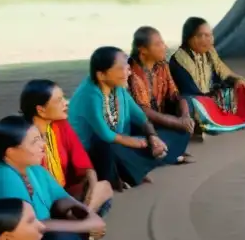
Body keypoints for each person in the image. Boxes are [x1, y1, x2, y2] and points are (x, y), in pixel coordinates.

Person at [69, 46, 190, 189]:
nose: (129, 71)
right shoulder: (90, 96)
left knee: (179, 130)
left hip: (123, 141)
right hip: (98, 149)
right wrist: (138, 143)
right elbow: (106, 135)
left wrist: (152, 137)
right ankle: (149, 162)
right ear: (102, 75)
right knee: (108, 149)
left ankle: (144, 162)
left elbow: (139, 115)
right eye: (121, 68)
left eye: (127, 65)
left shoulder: (117, 86)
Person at [20, 79, 113, 215]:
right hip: (41, 201)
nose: (66, 103)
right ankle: (85, 222)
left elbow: (85, 165)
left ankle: (85, 217)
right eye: (59, 100)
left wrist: (91, 192)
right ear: (41, 110)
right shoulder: (24, 137)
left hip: (64, 194)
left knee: (104, 187)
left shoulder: (60, 125)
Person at [169, 17, 245, 132]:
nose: (210, 40)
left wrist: (236, 81)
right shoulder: (179, 59)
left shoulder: (210, 52)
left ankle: (209, 121)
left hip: (214, 98)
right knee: (192, 106)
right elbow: (190, 91)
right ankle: (204, 122)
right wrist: (214, 99)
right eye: (203, 35)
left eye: (210, 35)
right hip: (196, 102)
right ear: (190, 38)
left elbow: (223, 72)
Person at [129, 26, 199, 140]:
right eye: (158, 44)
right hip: (145, 123)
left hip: (162, 116)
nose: (164, 47)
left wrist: (185, 117)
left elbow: (175, 95)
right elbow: (144, 111)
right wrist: (175, 122)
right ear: (143, 50)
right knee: (144, 122)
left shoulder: (162, 66)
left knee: (188, 101)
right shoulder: (132, 74)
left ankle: (179, 133)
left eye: (162, 43)